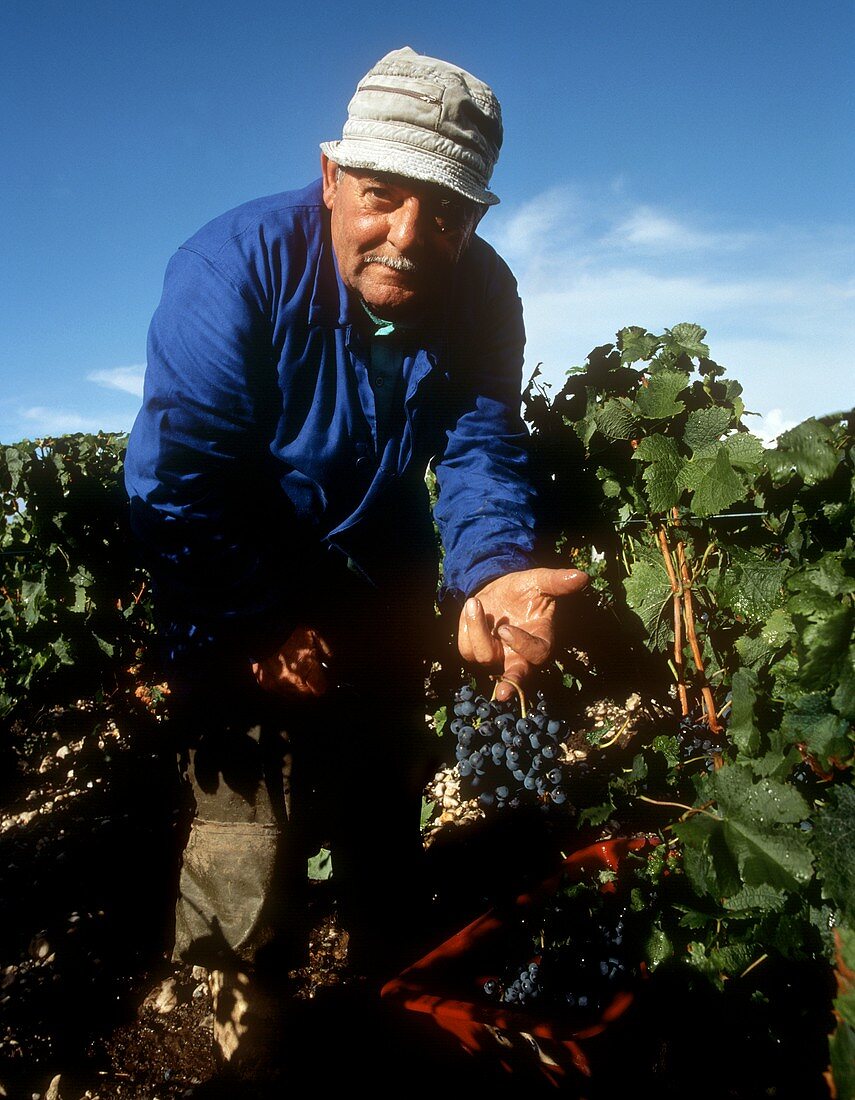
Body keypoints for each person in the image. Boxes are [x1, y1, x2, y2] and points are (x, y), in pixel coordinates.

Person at [124, 45, 587, 1086]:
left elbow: (477, 444)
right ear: (333, 176)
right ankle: (244, 1015)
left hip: (378, 566)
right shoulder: (230, 268)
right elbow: (177, 485)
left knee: (386, 783)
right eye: (383, 196)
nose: (412, 237)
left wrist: (493, 568)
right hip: (231, 561)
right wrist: (253, 627)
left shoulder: (485, 293)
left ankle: (394, 992)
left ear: (478, 217)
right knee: (248, 814)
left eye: (451, 213)